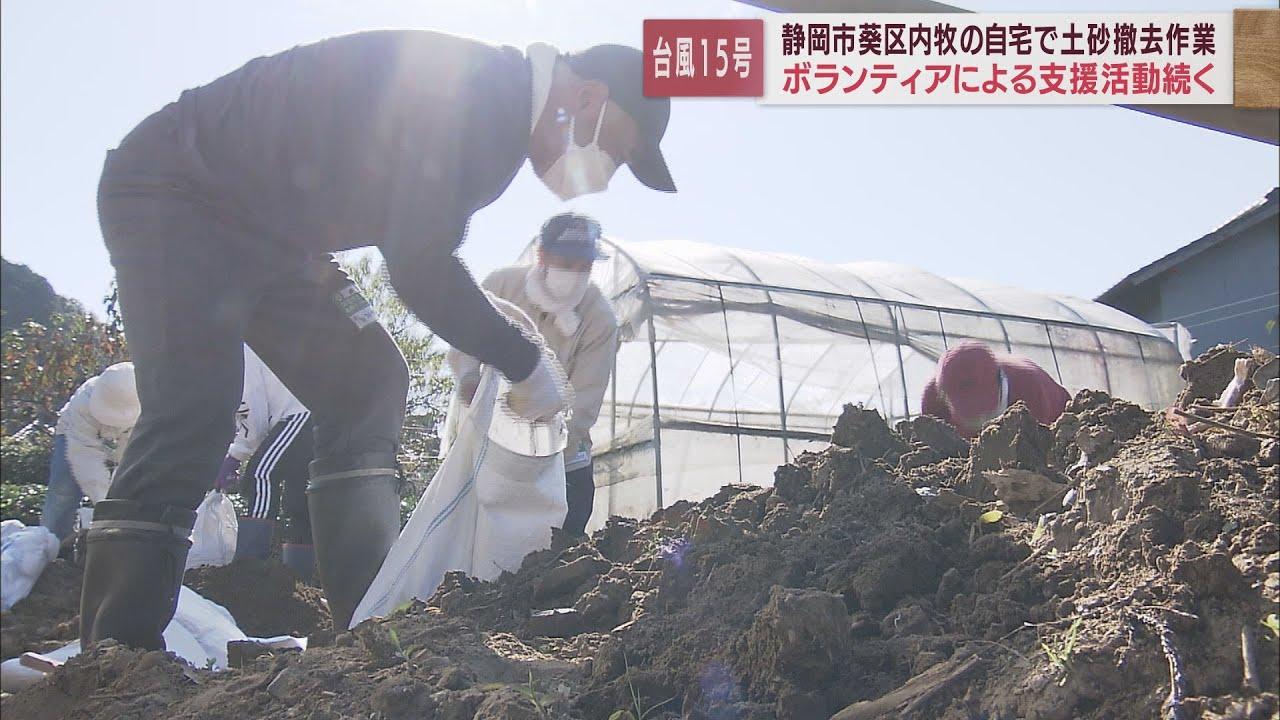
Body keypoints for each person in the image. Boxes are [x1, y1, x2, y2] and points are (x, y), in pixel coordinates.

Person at [86, 29, 677, 645]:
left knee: (367, 380)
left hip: (276, 239)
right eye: (612, 151)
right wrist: (524, 361)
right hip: (179, 192)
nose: (601, 176)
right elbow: (419, 264)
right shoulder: (486, 97)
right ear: (587, 99)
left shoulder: (499, 111)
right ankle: (112, 656)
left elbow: (419, 251)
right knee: (194, 410)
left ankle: (362, 626)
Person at [454, 213, 618, 537]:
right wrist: (469, 381)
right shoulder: (500, 287)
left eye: (583, 266)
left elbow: (582, 404)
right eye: (566, 263)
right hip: (487, 457)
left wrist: (534, 453)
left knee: (551, 562)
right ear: (542, 256)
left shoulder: (599, 318)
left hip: (560, 467)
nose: (575, 274)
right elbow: (463, 350)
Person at [212, 346, 315, 578]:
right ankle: (299, 580)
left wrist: (235, 456)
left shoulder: (239, 351)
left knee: (261, 475)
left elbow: (254, 415)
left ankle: (249, 567)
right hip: (319, 413)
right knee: (299, 500)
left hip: (300, 413)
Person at [39, 363, 140, 542]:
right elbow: (85, 459)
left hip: (119, 439)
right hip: (73, 435)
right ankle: (50, 543)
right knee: (63, 490)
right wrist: (104, 503)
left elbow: (132, 456)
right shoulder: (83, 404)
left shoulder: (149, 403)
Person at [921, 341, 1071, 438]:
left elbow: (1040, 448)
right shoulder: (932, 402)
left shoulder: (1029, 387)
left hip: (1057, 416)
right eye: (969, 414)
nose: (979, 419)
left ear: (1000, 381)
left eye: (984, 409)